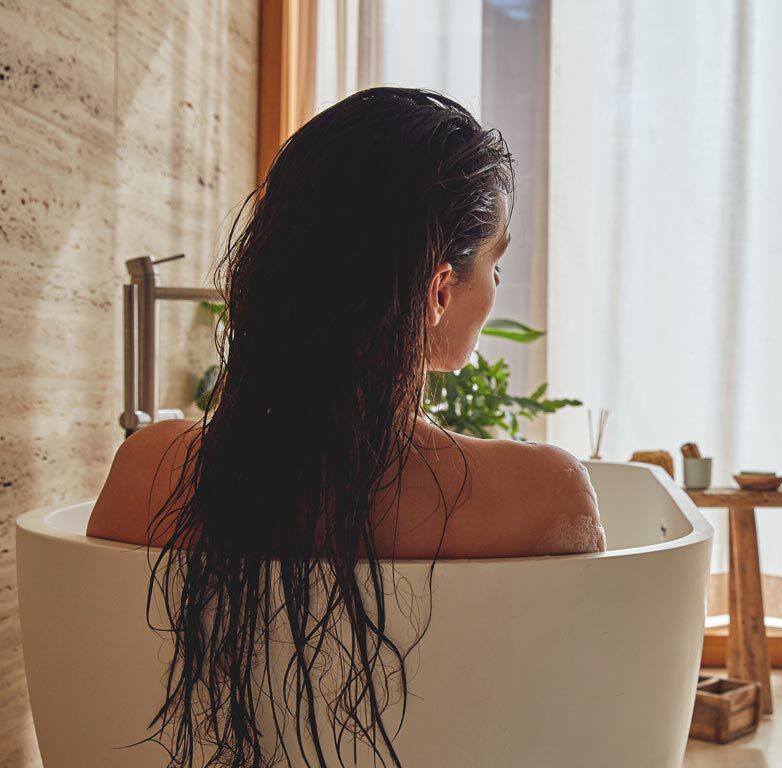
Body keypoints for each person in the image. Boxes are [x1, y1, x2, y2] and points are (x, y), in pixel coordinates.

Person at [85, 87, 604, 766]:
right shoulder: (546, 495)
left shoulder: (146, 470)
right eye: (495, 263)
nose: (497, 286)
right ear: (439, 290)